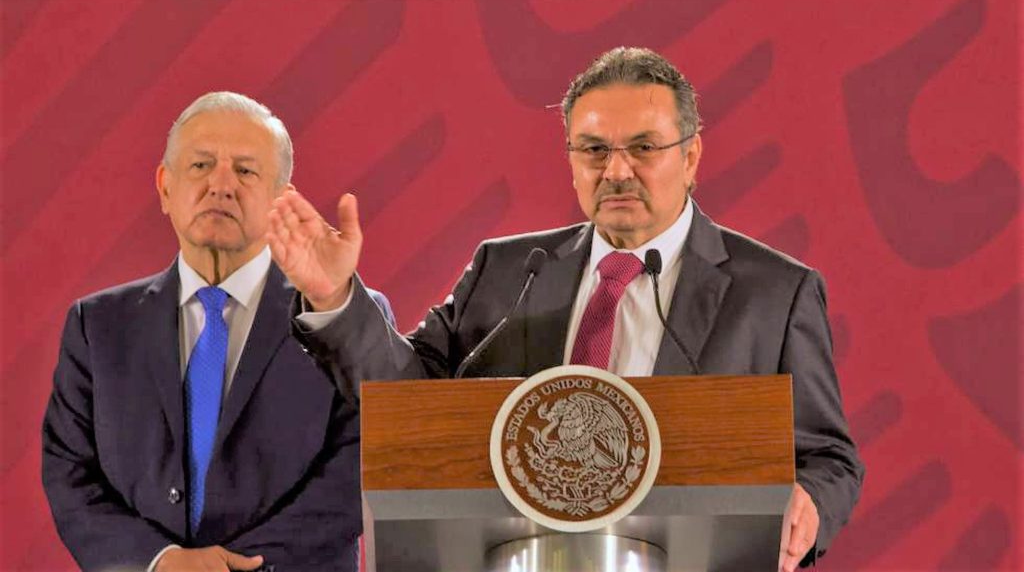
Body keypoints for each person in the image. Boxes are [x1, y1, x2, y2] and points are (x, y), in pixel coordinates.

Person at [269, 48, 863, 570]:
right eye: (595, 150)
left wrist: (810, 501)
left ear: (691, 156)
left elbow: (828, 458)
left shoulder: (773, 292)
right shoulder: (508, 272)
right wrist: (334, 296)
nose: (617, 171)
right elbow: (407, 400)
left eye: (643, 148)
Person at [42, 91, 393, 572]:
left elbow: (362, 465)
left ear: (281, 199)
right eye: (201, 165)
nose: (221, 185)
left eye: (245, 171)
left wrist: (234, 568)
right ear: (165, 188)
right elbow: (70, 471)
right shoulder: (98, 326)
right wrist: (161, 561)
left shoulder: (339, 315)